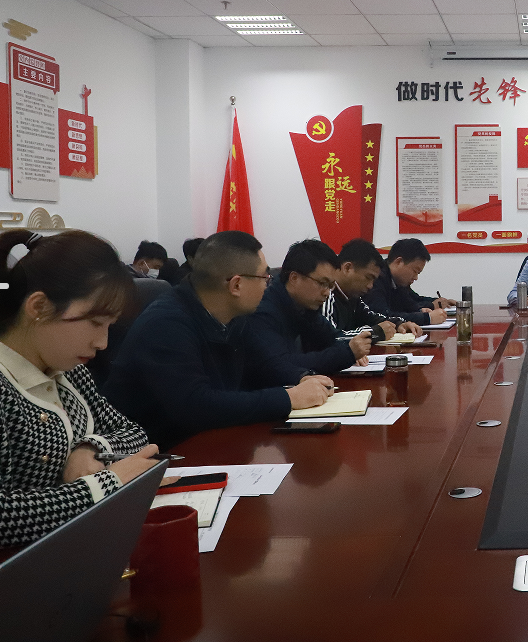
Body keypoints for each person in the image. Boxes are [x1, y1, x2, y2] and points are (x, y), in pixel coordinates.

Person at [0, 230, 159, 547]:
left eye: (110, 326)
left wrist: (90, 448)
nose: (103, 343)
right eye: (95, 323)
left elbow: (132, 432)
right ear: (39, 306)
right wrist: (105, 485)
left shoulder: (69, 372)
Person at [104, 232, 334, 450]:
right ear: (236, 285)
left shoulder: (234, 316)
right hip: (162, 454)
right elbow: (196, 406)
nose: (269, 285)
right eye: (265, 278)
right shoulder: (165, 324)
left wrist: (302, 377)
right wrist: (288, 398)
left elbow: (265, 362)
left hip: (213, 441)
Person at [242, 239, 373, 384]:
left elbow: (332, 337)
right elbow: (281, 365)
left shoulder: (304, 306)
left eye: (330, 285)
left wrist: (349, 348)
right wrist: (346, 354)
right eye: (322, 283)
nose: (327, 293)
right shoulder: (263, 311)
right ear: (294, 278)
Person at [322, 238, 421, 340]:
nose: (370, 286)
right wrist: (375, 332)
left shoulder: (352, 296)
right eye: (368, 277)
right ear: (347, 268)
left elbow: (372, 318)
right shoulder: (325, 295)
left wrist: (398, 324)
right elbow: (331, 339)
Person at [364, 238, 454, 326]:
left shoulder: (398, 281)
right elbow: (382, 316)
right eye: (415, 271)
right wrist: (427, 318)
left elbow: (412, 302)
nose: (416, 278)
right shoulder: (376, 279)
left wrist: (423, 309)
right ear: (399, 262)